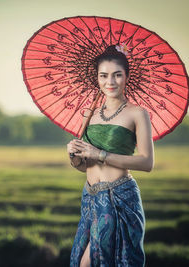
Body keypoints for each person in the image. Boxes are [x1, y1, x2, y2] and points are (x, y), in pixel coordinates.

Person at [67, 45, 154, 267]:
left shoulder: (137, 113)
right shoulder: (90, 114)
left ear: (126, 76)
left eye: (117, 75)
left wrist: (100, 153)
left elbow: (146, 162)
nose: (110, 82)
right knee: (79, 261)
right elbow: (84, 165)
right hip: (90, 198)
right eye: (103, 76)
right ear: (96, 78)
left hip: (119, 197)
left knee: (90, 264)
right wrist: (75, 157)